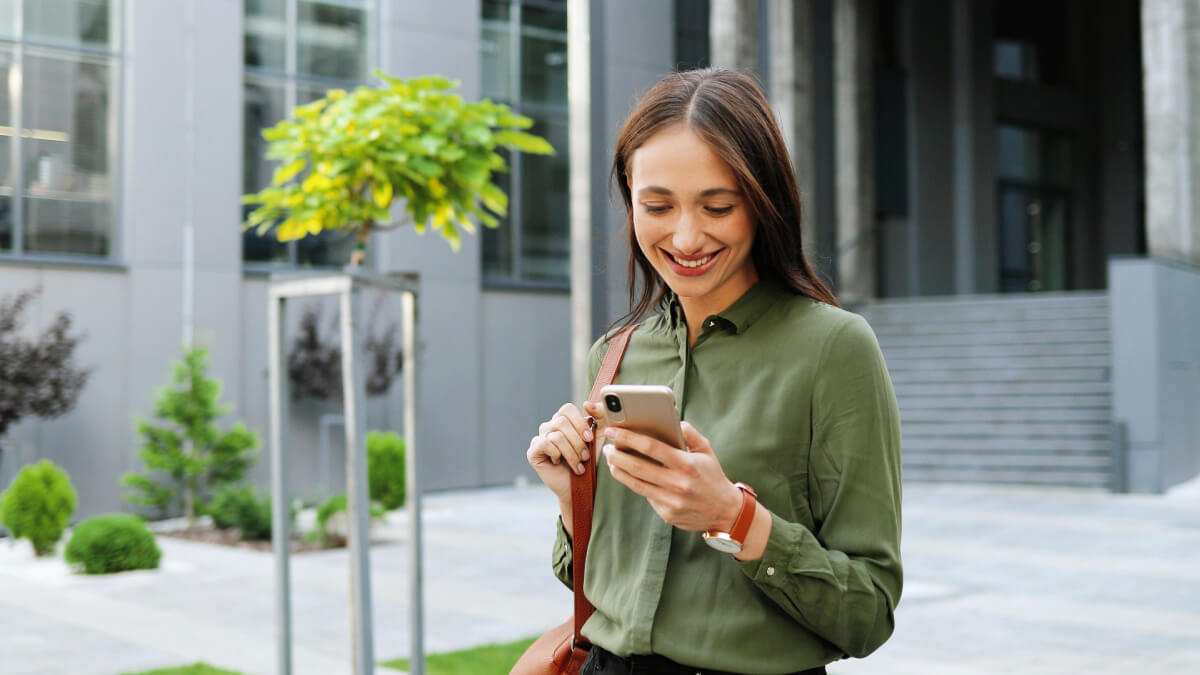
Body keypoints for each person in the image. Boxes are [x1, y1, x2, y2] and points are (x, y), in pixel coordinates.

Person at [525, 67, 902, 675]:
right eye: (656, 205)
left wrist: (733, 517)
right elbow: (595, 584)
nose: (685, 235)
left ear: (762, 203)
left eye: (717, 206)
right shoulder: (615, 353)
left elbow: (870, 611)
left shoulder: (835, 349)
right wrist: (577, 502)